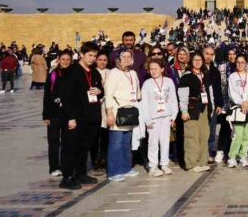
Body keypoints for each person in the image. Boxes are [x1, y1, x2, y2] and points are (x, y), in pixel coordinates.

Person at [55, 42, 104, 189]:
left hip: (91, 117)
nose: (92, 58)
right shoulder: (71, 71)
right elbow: (64, 96)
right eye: (90, 55)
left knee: (84, 147)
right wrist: (70, 117)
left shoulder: (94, 72)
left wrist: (100, 91)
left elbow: (100, 89)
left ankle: (80, 173)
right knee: (71, 148)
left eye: (95, 56)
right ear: (82, 55)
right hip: (76, 117)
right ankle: (67, 177)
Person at [104, 48, 142, 182]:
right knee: (116, 143)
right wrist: (109, 113)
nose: (126, 59)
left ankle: (126, 168)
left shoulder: (133, 73)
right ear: (118, 59)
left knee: (126, 142)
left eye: (129, 56)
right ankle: (114, 171)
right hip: (117, 111)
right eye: (124, 57)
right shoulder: (114, 73)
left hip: (130, 112)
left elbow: (137, 92)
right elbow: (108, 94)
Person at [139, 58, 178, 176]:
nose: (153, 71)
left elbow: (173, 99)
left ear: (162, 69)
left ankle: (164, 164)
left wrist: (174, 115)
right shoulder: (147, 83)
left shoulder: (169, 81)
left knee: (165, 141)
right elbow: (144, 103)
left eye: (155, 68)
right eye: (151, 69)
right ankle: (153, 166)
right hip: (153, 118)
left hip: (166, 116)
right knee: (153, 142)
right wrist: (147, 120)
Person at [178, 51, 215, 172]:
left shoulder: (206, 75)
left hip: (204, 109)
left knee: (204, 135)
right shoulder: (186, 77)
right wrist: (183, 110)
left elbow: (210, 93)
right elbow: (182, 95)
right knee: (192, 136)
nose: (197, 62)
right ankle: (192, 163)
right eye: (195, 60)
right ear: (190, 62)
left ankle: (202, 161)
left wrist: (211, 107)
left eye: (200, 60)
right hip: (192, 109)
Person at [42, 50, 72, 178]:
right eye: (63, 59)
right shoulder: (53, 74)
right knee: (53, 142)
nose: (65, 62)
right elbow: (47, 96)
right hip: (54, 113)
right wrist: (46, 115)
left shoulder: (73, 74)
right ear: (58, 60)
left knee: (67, 141)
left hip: (68, 113)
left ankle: (65, 165)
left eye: (67, 59)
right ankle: (54, 167)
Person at [227, 54, 248, 168]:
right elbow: (232, 93)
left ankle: (243, 155)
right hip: (238, 107)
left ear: (246, 64)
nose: (240, 64)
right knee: (238, 134)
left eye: (242, 62)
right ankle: (232, 156)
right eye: (238, 62)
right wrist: (241, 102)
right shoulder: (232, 76)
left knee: (247, 134)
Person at [202, 46, 224, 163]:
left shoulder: (215, 70)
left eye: (211, 54)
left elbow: (218, 89)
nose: (209, 56)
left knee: (211, 130)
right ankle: (201, 153)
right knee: (201, 131)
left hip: (213, 105)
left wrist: (219, 104)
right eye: (207, 53)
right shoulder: (197, 68)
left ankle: (210, 151)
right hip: (201, 106)